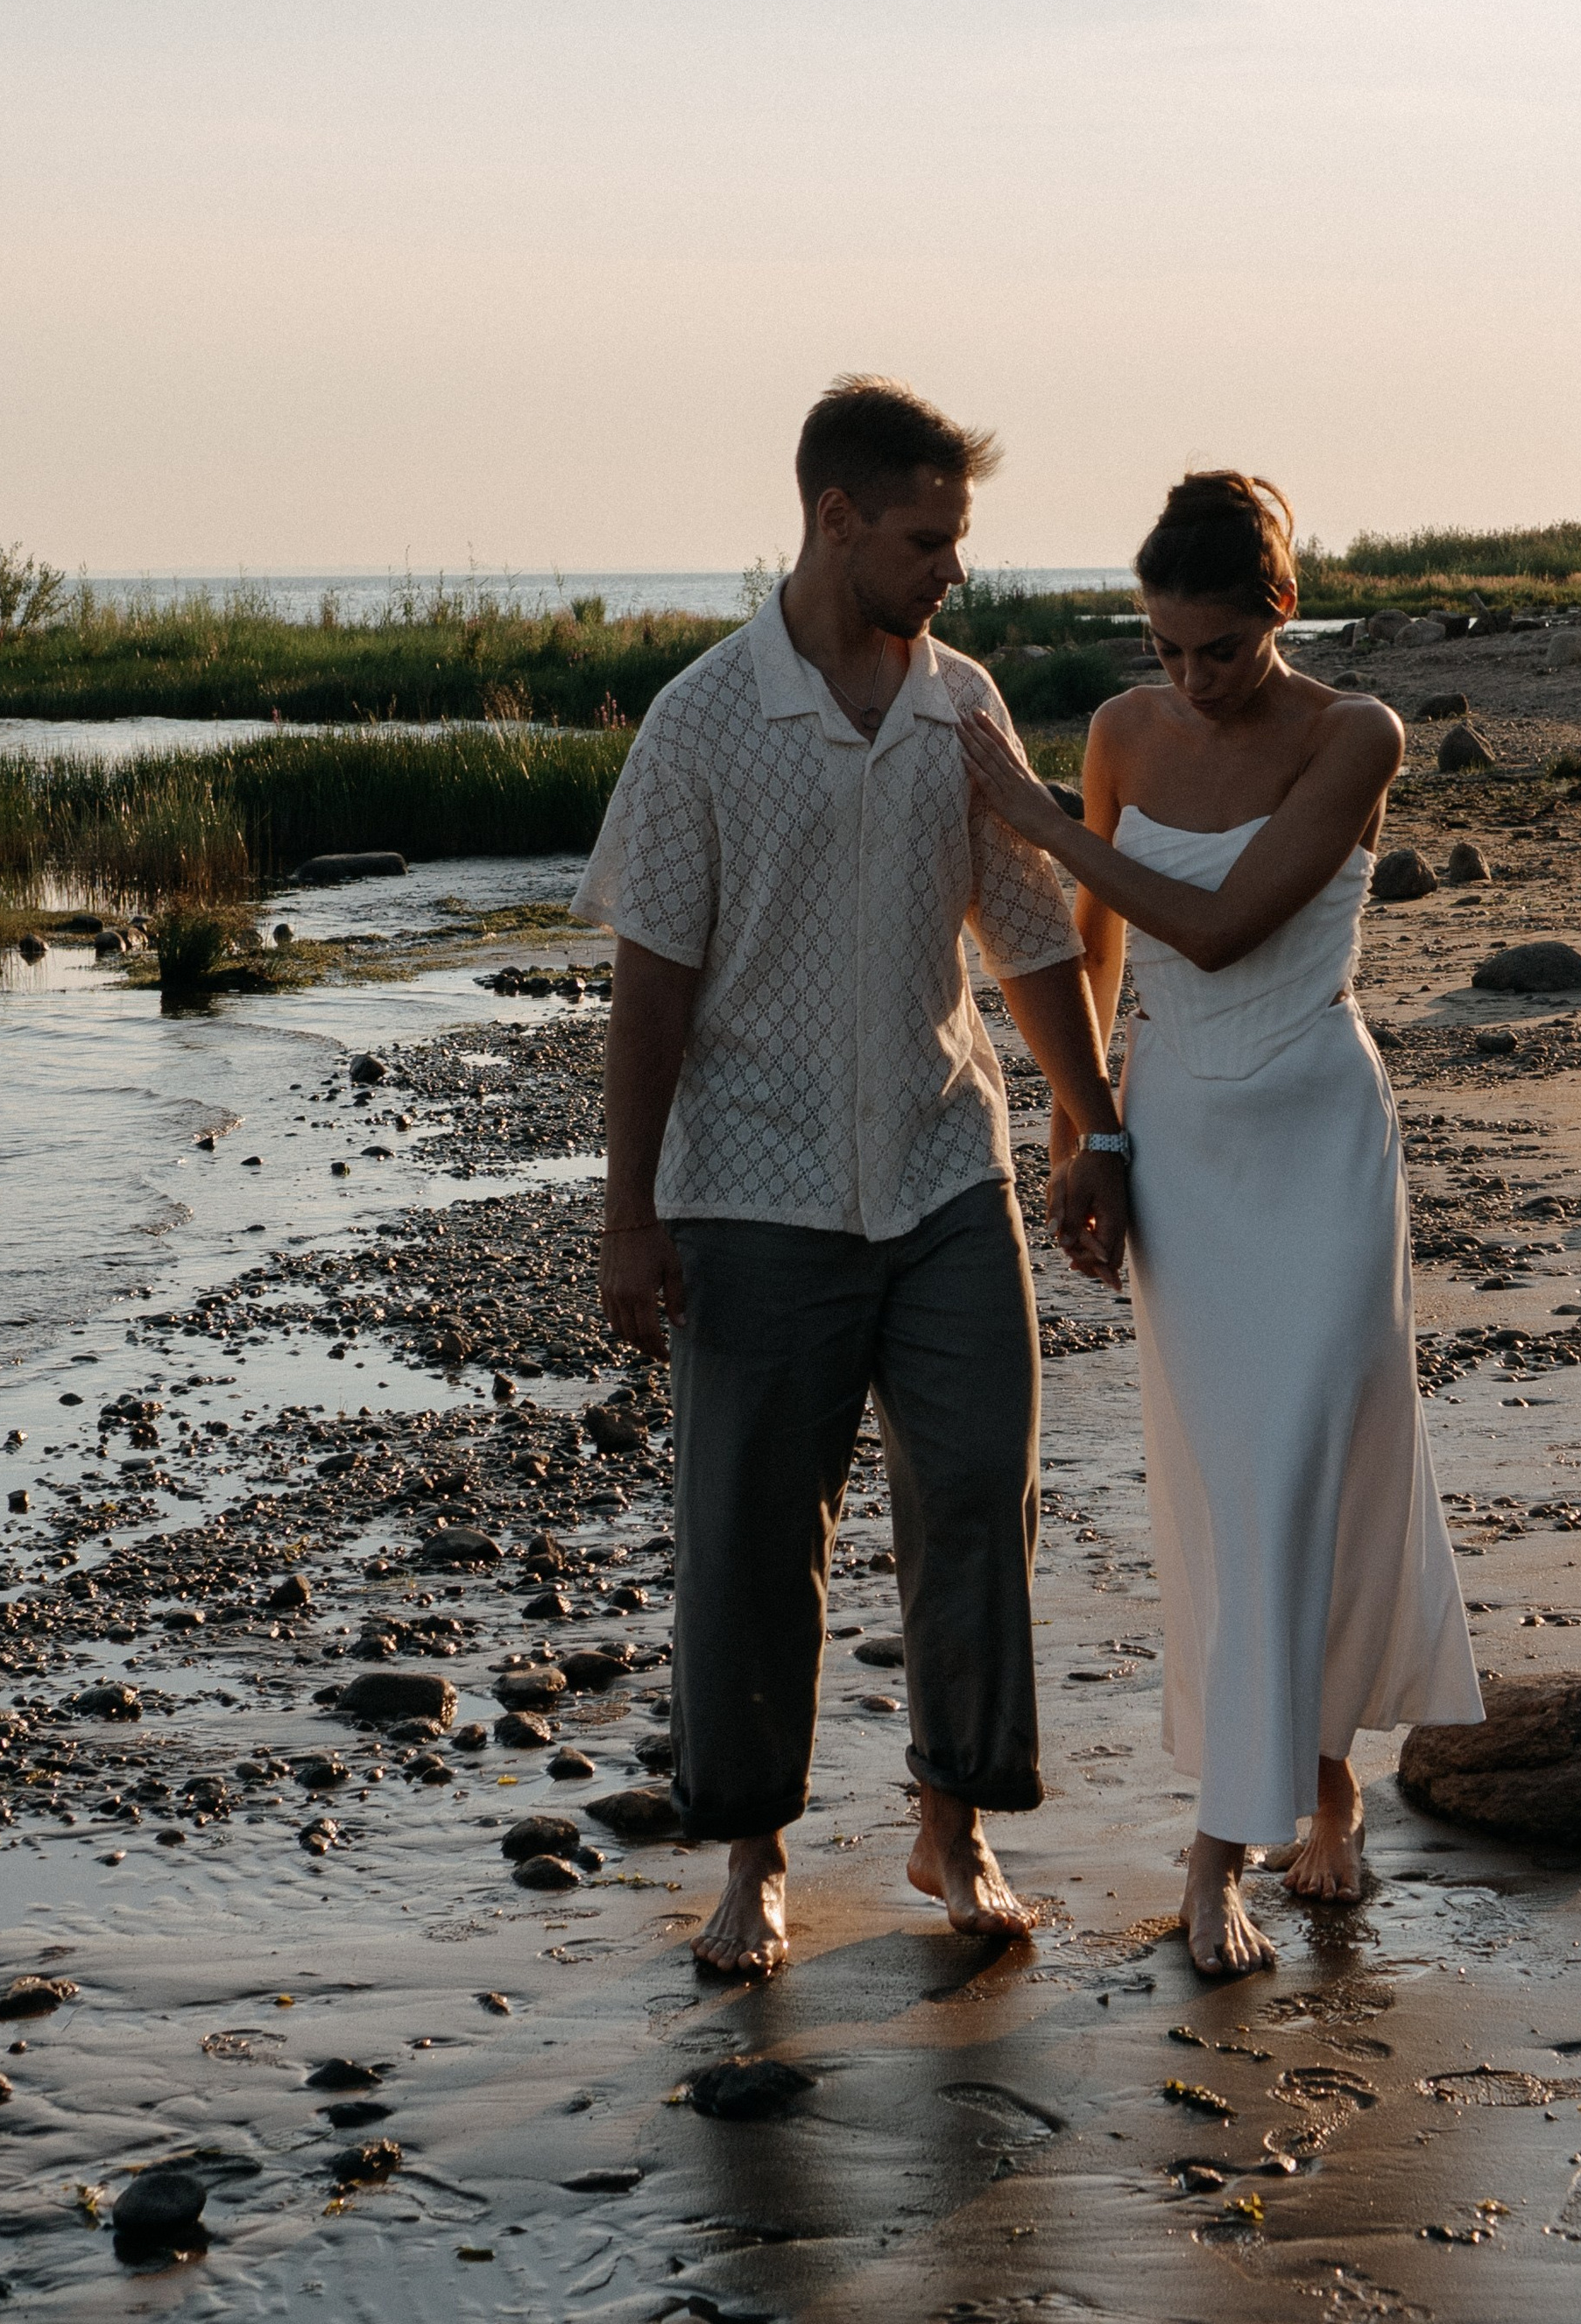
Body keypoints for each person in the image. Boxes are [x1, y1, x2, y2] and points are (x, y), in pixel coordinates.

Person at [573, 375, 1132, 1979]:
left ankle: (955, 1823)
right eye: (925, 537)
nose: (951, 567)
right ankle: (751, 1859)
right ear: (834, 519)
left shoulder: (964, 706)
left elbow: (1029, 940)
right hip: (751, 1189)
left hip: (945, 1173)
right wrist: (629, 1214)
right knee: (754, 1532)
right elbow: (653, 988)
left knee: (979, 1495)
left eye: (957, 536)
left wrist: (1095, 1128)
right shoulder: (699, 725)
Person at [954, 468, 1483, 1977]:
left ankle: (1216, 1854)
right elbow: (1108, 961)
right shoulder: (1122, 733)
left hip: (1316, 1139)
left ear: (1281, 611)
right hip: (1181, 1135)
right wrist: (1085, 1135)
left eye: (1220, 650)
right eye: (1164, 646)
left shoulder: (1353, 734)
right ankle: (1324, 1793)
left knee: (1307, 1462)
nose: (1188, 677)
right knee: (1230, 1486)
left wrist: (1036, 822)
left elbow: (1223, 920)